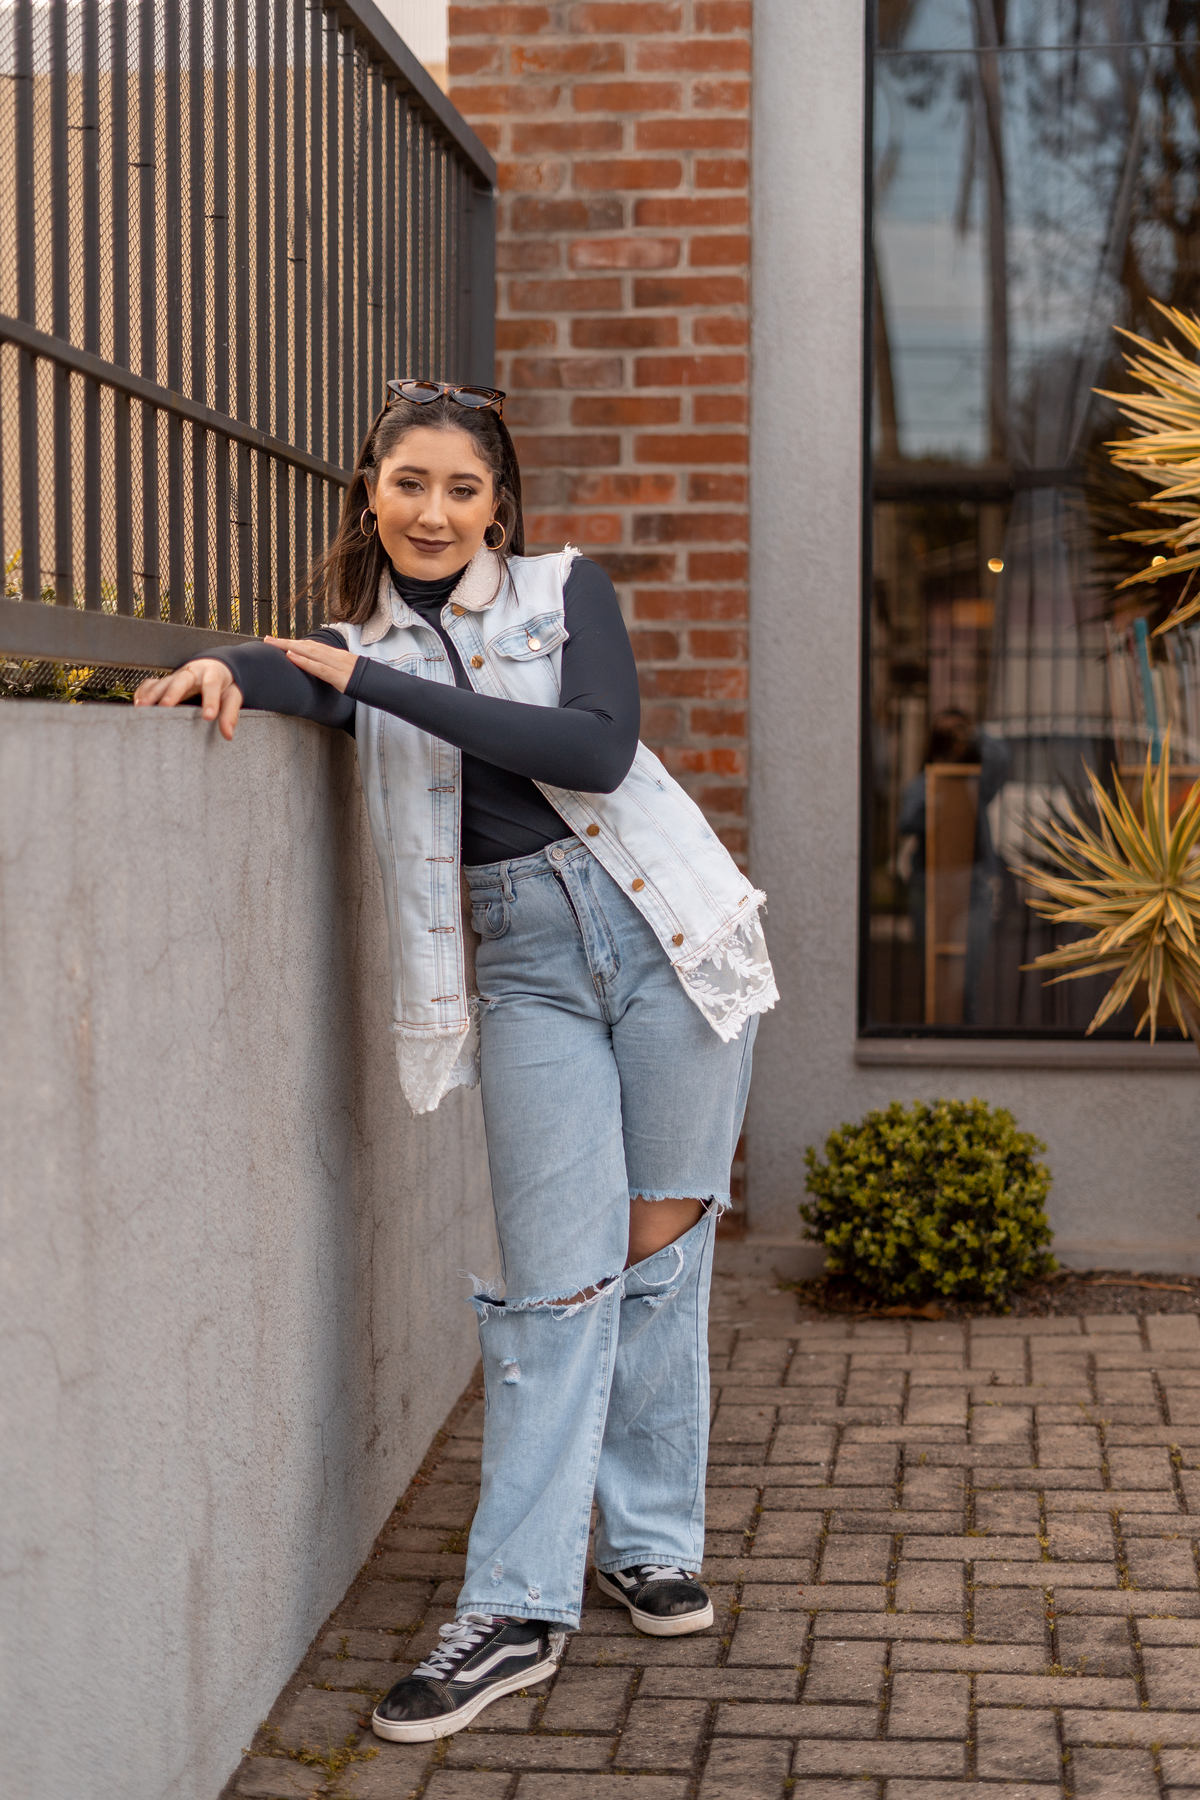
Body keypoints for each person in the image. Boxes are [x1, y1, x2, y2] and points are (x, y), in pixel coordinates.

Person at [135, 379, 778, 1743]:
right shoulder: (344, 644)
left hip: (670, 941)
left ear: (499, 503)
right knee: (556, 1290)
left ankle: (650, 1538)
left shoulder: (562, 592)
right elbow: (279, 674)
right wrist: (222, 668)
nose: (434, 512)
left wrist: (371, 684)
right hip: (529, 970)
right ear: (371, 494)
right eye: (409, 484)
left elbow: (596, 750)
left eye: (463, 489)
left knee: (658, 1266)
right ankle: (514, 1607)